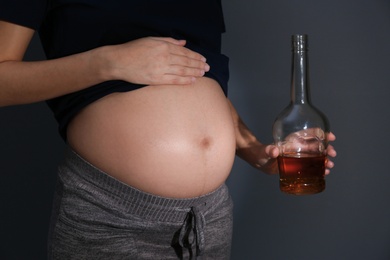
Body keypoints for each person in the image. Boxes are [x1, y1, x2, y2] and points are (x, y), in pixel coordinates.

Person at [0, 0, 336, 259]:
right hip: (112, 215)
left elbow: (197, 72)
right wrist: (108, 62)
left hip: (209, 217)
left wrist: (254, 150)